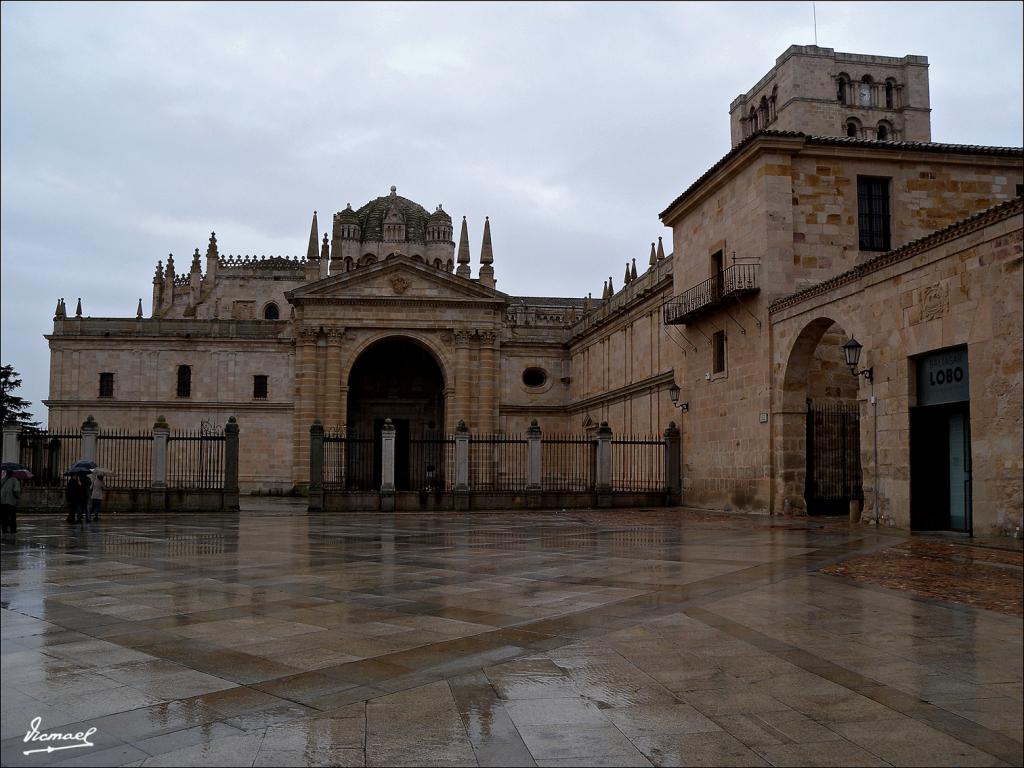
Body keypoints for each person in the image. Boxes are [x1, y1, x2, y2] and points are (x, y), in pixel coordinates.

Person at [1, 470, 21, 534]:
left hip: (2, 501)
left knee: (4, 517)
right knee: (12, 517)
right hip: (11, 501)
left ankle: (4, 530)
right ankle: (13, 530)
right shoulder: (15, 480)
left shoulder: (2, 479)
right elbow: (16, 490)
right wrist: (17, 497)